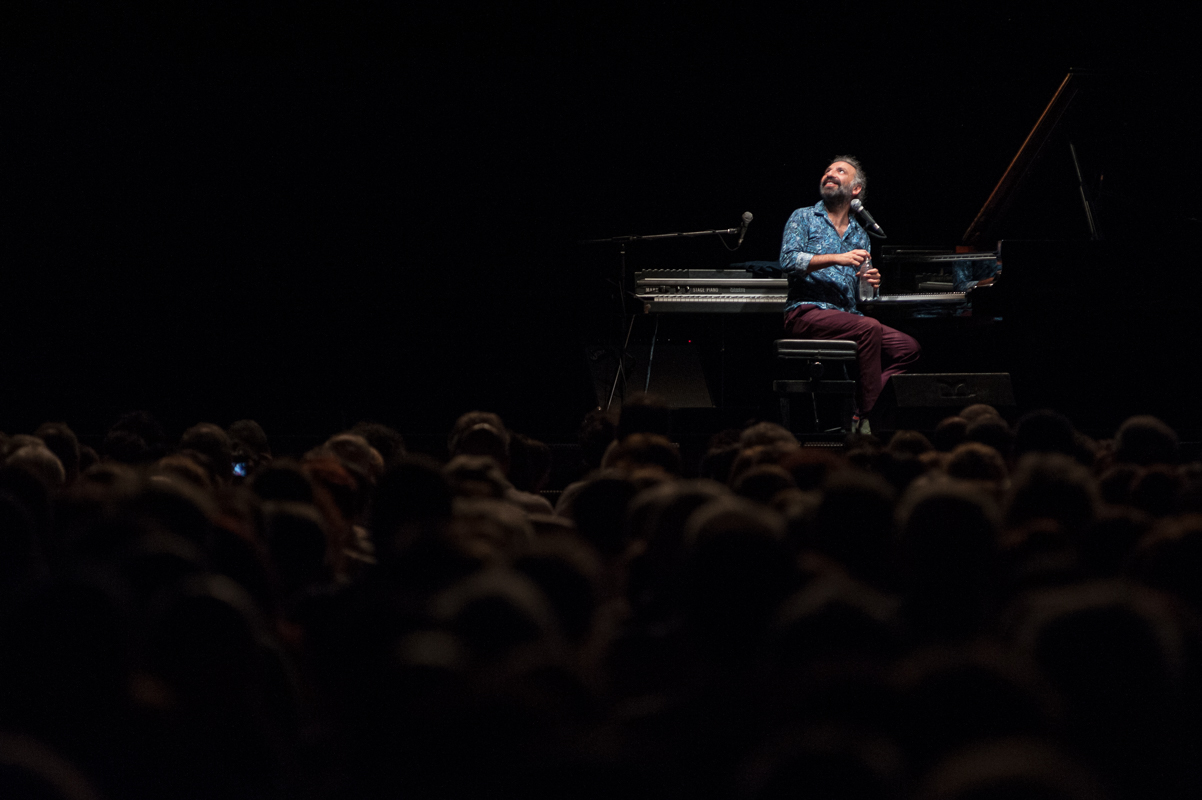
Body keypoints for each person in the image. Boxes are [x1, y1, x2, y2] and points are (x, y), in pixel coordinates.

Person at [779, 156, 920, 433]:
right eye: (827, 170)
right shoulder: (804, 216)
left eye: (840, 171)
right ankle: (870, 419)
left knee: (908, 349)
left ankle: (860, 412)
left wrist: (871, 283)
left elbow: (861, 297)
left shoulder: (860, 233)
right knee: (868, 328)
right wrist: (838, 258)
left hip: (847, 316)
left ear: (856, 190)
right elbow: (789, 260)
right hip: (807, 312)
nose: (830, 174)